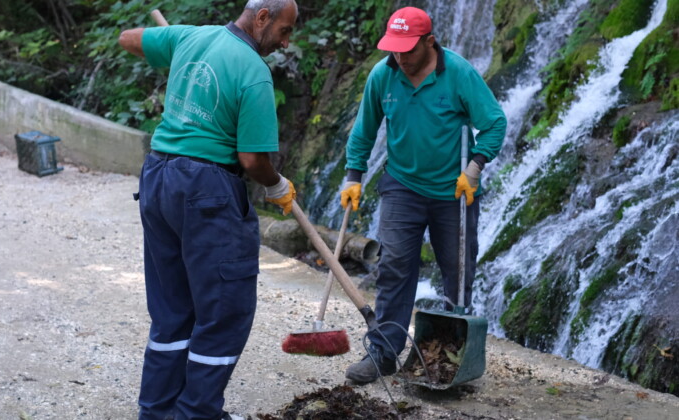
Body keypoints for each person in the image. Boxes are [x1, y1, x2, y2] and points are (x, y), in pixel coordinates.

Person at [118, 1, 298, 418]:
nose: (286, 42)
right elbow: (253, 160)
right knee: (223, 313)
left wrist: (178, 57)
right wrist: (277, 186)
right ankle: (196, 413)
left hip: (159, 178)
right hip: (206, 190)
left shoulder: (190, 37)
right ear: (262, 18)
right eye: (284, 31)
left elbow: (128, 39)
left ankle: (158, 412)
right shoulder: (253, 72)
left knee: (172, 310)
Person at [339, 6, 507, 384]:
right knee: (395, 266)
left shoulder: (459, 74)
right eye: (393, 49)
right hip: (402, 185)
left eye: (407, 50)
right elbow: (364, 130)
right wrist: (353, 176)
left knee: (458, 269)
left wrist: (475, 167)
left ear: (430, 41)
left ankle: (451, 352)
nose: (400, 57)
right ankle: (383, 353)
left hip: (454, 189)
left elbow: (494, 123)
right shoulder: (383, 76)